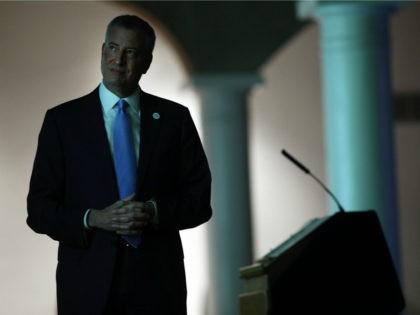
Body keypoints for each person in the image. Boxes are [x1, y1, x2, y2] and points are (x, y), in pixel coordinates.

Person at [26, 15, 212, 315]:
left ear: (146, 63)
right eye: (113, 48)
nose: (118, 60)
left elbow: (200, 201)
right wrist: (93, 218)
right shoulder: (63, 122)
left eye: (131, 52)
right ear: (102, 51)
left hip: (158, 284)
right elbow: (39, 210)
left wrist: (152, 212)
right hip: (86, 285)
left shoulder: (175, 120)